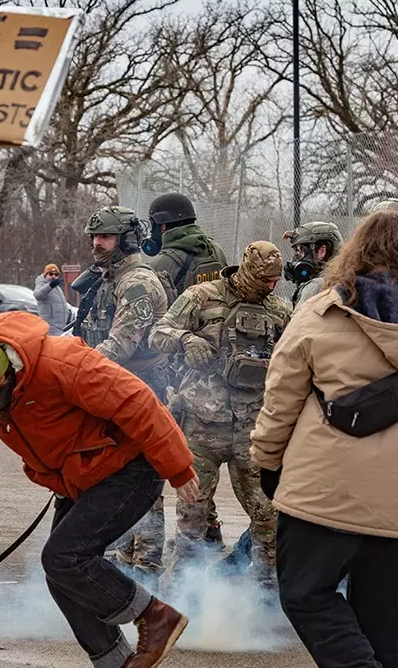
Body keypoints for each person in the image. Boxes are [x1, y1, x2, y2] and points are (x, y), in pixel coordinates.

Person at [249, 210, 398, 668]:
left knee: (305, 595)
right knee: (381, 622)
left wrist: (267, 460)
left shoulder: (323, 311)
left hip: (326, 492)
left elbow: (280, 397)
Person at [0, 311, 200, 668]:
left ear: (5, 374)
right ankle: (115, 662)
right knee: (61, 575)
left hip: (129, 468)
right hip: (82, 478)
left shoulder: (61, 362)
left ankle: (156, 616)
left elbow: (138, 402)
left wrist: (178, 467)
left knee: (64, 558)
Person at [150, 241, 290, 584]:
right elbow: (157, 334)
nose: (269, 286)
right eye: (263, 279)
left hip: (253, 430)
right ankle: (186, 590)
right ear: (246, 269)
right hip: (201, 427)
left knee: (268, 514)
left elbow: (297, 356)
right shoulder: (202, 296)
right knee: (192, 517)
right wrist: (186, 339)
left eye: (274, 281)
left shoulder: (279, 311)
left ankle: (266, 590)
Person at [77, 206, 172, 578]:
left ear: (126, 239)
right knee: (110, 478)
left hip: (142, 394)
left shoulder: (137, 283)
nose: (97, 244)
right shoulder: (110, 278)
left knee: (143, 483)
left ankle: (146, 571)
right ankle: (117, 563)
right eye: (95, 237)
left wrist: (70, 372)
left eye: (106, 237)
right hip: (116, 392)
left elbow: (119, 347)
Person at [142, 191, 228, 544]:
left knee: (167, 454)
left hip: (177, 369)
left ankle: (162, 544)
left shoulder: (163, 263)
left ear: (161, 225)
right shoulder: (216, 252)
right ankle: (211, 533)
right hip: (215, 369)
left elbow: (156, 324)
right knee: (200, 459)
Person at [283, 220, 343, 307]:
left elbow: (299, 320)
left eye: (301, 250)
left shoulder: (316, 286)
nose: (297, 258)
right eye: (297, 251)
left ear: (322, 251)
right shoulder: (346, 281)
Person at [34, 263, 71, 335]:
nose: (53, 276)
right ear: (45, 275)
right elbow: (38, 295)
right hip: (50, 327)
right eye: (51, 274)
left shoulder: (57, 288)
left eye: (56, 274)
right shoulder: (41, 284)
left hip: (60, 326)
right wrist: (50, 286)